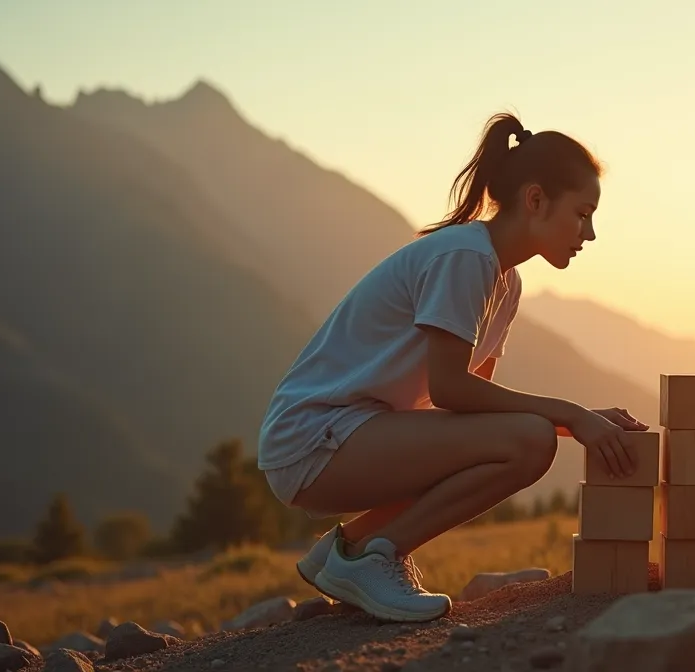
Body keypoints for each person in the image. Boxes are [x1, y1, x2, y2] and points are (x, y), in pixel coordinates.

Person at [256, 112, 648, 623]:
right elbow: (449, 390)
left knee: (525, 439)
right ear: (535, 200)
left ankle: (349, 548)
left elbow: (477, 414)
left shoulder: (504, 282)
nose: (589, 233)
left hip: (351, 434)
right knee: (532, 441)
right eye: (582, 213)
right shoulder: (466, 258)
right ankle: (375, 558)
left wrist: (580, 420)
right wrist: (571, 415)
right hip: (311, 438)